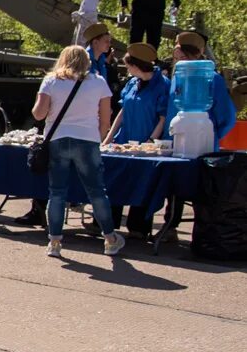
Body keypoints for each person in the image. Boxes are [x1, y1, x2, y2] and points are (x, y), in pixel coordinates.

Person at [33, 45, 124, 259]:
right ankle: (110, 239)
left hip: (58, 139)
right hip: (88, 140)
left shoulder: (52, 81)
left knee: (56, 192)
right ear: (87, 61)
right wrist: (99, 138)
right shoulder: (98, 82)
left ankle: (54, 242)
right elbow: (105, 119)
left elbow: (38, 114)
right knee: (96, 192)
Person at [105, 43, 171, 237]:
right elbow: (123, 111)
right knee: (115, 179)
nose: (127, 69)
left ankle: (138, 228)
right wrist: (109, 137)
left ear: (137, 65)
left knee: (143, 183)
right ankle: (109, 223)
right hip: (124, 140)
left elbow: (163, 117)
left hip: (147, 143)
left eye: (129, 65)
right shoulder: (132, 83)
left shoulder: (163, 85)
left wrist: (151, 141)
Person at [164, 32, 236, 151]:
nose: (179, 63)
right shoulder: (176, 78)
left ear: (197, 54)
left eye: (183, 58)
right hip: (173, 144)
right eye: (176, 59)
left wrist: (211, 136)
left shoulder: (212, 78)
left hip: (202, 145)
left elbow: (227, 117)